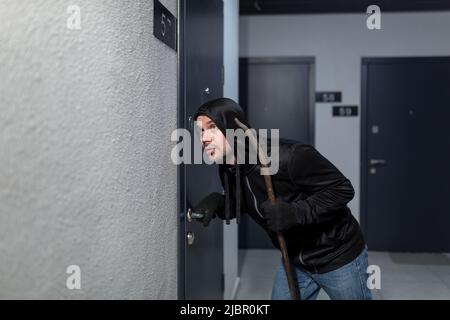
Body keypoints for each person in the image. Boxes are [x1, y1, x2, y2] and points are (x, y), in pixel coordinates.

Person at [193, 97, 372, 300]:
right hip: (294, 261)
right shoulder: (229, 167)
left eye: (212, 127)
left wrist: (295, 213)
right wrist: (219, 203)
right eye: (200, 131)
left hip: (338, 257)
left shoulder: (291, 156)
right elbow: (247, 202)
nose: (204, 137)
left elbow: (342, 189)